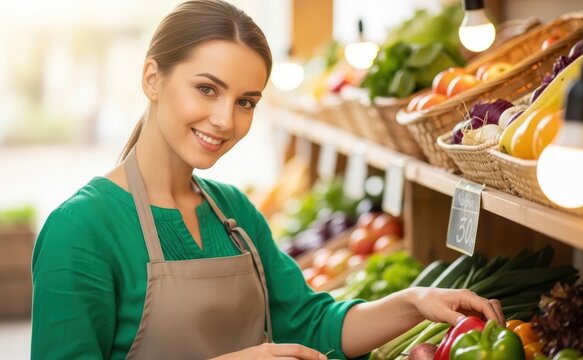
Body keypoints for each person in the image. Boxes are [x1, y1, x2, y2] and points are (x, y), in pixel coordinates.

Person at [30, 1, 504, 359]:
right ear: (153, 79)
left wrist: (414, 303)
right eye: (207, 89)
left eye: (245, 102)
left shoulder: (233, 212)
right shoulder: (81, 230)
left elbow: (310, 323)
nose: (223, 119)